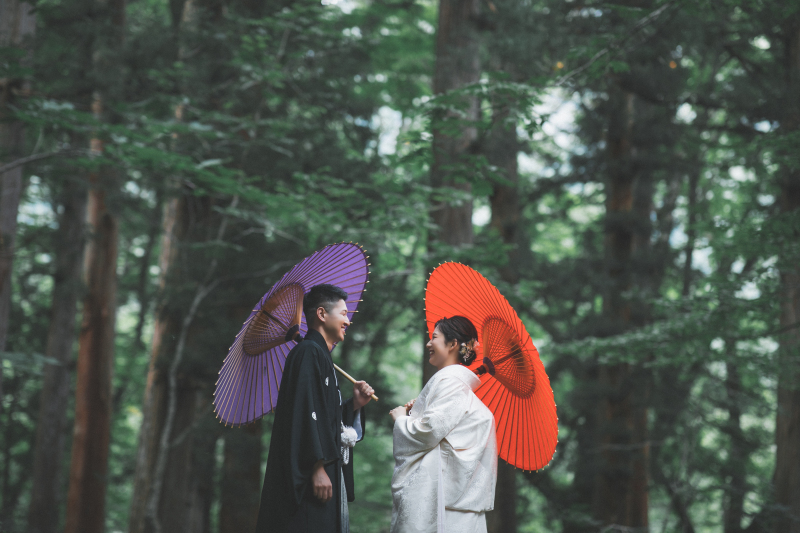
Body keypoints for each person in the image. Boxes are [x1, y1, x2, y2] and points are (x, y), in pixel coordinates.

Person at [255, 284, 375, 533]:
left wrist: (354, 405)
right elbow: (304, 411)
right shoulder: (308, 352)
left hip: (323, 471)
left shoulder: (319, 354)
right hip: (310, 477)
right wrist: (317, 467)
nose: (348, 321)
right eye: (343, 314)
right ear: (321, 314)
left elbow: (323, 418)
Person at [389, 316, 497, 533]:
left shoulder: (450, 382)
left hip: (444, 505)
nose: (429, 344)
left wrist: (402, 419)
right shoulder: (455, 385)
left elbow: (428, 432)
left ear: (453, 344)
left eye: (434, 338)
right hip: (460, 503)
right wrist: (419, 411)